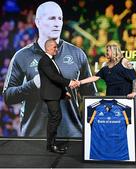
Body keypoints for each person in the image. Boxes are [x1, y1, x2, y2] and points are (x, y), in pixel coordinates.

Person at [3, 1, 97, 137]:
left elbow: (91, 97)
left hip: (72, 137)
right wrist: (32, 84)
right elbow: (8, 97)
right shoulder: (22, 56)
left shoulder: (77, 54)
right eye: (52, 18)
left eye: (60, 18)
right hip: (33, 139)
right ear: (38, 22)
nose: (57, 23)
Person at [38, 39, 79, 153]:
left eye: (57, 47)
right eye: (54, 47)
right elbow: (53, 77)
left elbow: (56, 79)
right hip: (50, 95)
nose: (57, 49)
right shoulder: (44, 61)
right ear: (48, 48)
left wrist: (64, 92)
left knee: (54, 117)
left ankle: (51, 144)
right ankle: (51, 145)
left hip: (54, 94)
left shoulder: (51, 60)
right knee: (55, 117)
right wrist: (70, 82)